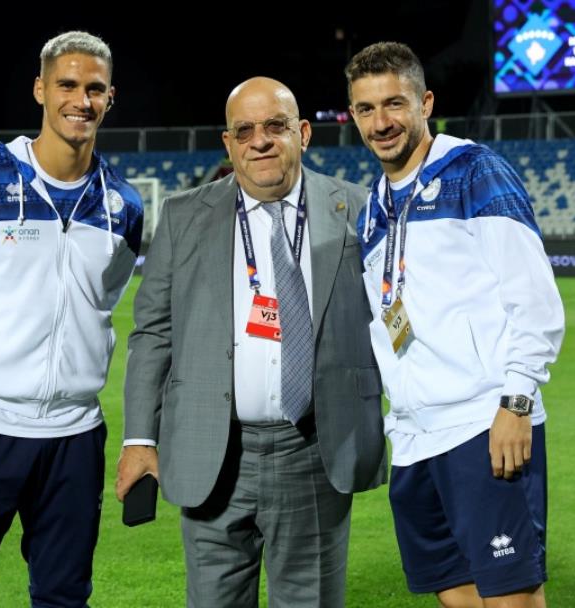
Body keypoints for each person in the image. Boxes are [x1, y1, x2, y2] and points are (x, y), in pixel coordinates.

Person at [116, 76, 386, 607]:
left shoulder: (359, 208)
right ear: (228, 142)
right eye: (244, 131)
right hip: (211, 450)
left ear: (303, 133)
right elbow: (153, 333)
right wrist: (139, 440)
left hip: (314, 451)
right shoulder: (183, 215)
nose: (259, 141)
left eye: (274, 126)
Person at [0, 31, 142, 607]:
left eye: (95, 89)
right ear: (41, 89)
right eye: (67, 85)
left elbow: (102, 299)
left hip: (74, 434)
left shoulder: (124, 205)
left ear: (110, 97)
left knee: (64, 596)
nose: (81, 100)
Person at [345, 42, 564, 608]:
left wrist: (516, 402)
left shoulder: (475, 171)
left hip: (482, 421)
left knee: (511, 594)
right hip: (414, 435)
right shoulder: (373, 208)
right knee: (453, 590)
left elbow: (534, 298)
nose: (381, 122)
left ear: (426, 103)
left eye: (394, 104)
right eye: (366, 109)